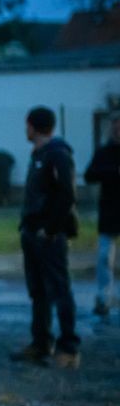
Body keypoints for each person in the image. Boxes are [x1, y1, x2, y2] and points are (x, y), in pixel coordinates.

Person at [11, 106, 81, 369]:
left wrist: (50, 229)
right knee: (38, 290)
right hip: (32, 231)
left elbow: (67, 195)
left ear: (32, 126)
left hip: (49, 235)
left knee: (59, 288)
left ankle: (68, 347)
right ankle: (41, 342)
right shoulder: (39, 154)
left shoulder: (58, 155)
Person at [84, 114, 120, 319]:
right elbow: (90, 175)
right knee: (105, 256)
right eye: (115, 127)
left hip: (110, 209)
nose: (117, 130)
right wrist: (113, 172)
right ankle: (103, 298)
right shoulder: (104, 152)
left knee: (106, 255)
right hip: (110, 210)